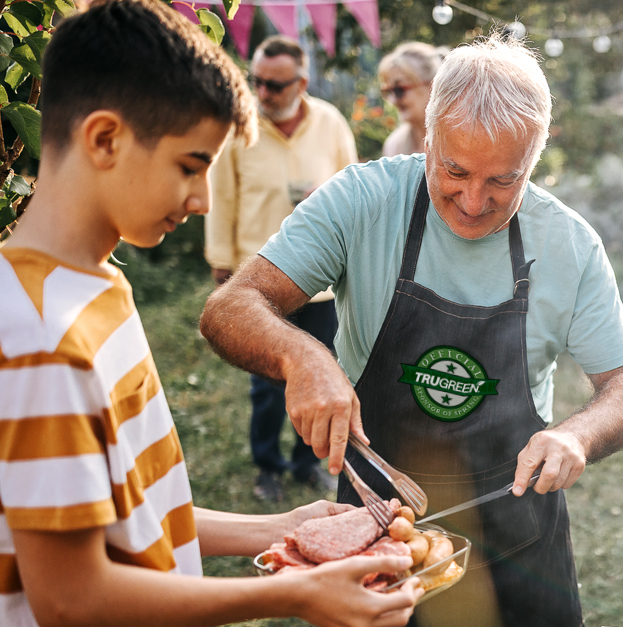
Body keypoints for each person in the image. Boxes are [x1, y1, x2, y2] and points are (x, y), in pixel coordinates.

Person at [200, 33, 623, 626]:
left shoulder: (567, 243)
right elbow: (229, 308)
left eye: (503, 181)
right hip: (380, 528)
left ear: (535, 161)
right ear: (429, 136)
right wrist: (302, 357)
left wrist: (580, 435)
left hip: (520, 543)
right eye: (456, 169)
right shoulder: (361, 202)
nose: (472, 201)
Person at [0, 1, 420, 625]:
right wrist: (295, 593)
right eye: (190, 166)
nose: (201, 200)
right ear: (105, 139)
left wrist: (282, 527)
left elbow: (133, 512)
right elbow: (71, 598)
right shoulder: (35, 333)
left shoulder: (100, 290)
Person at [205, 35, 358, 501]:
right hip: (260, 281)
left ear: (302, 82)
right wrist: (222, 262)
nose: (262, 93)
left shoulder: (330, 123)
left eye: (274, 85)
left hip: (322, 281)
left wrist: (328, 198)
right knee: (268, 386)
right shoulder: (240, 126)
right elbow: (221, 197)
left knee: (323, 371)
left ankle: (308, 462)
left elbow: (356, 185)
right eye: (257, 82)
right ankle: (267, 466)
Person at [378, 42, 444, 157]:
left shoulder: (457, 141)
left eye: (399, 90)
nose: (393, 101)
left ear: (432, 85)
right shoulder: (394, 146)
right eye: (388, 91)